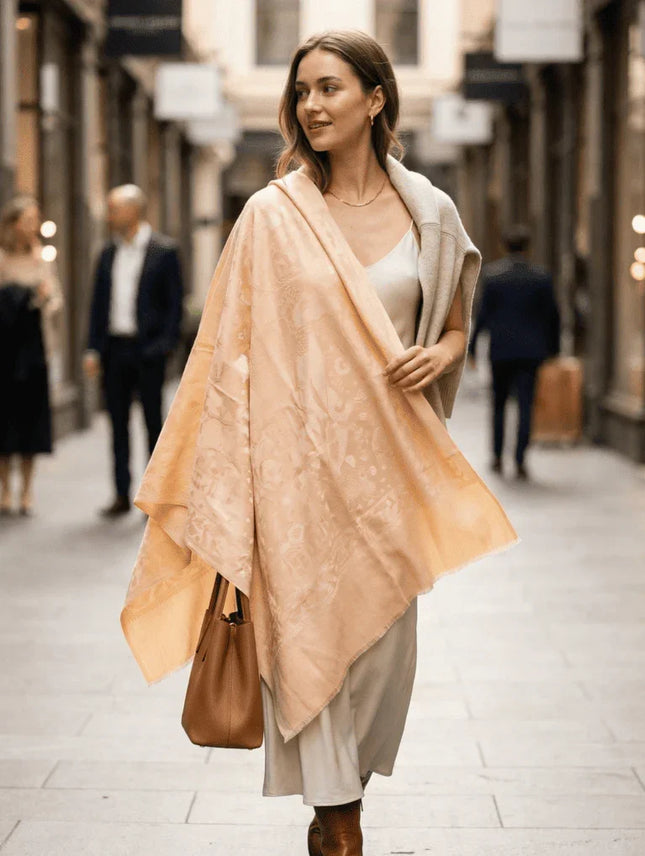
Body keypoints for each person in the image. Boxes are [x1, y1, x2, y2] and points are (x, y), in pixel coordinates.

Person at [120, 31, 518, 856]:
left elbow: (452, 330)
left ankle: (338, 804)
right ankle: (337, 824)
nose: (311, 105)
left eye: (331, 88)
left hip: (390, 480)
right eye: (302, 91)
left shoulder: (429, 213)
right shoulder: (271, 214)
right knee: (309, 664)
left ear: (376, 99)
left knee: (377, 666)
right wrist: (228, 482)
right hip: (293, 482)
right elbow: (224, 351)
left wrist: (437, 354)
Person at [84, 185, 183, 517]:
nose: (110, 216)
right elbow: (98, 304)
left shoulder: (164, 251)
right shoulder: (108, 252)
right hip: (115, 350)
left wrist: (162, 348)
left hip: (148, 352)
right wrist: (93, 348)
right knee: (118, 425)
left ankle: (152, 499)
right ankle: (121, 494)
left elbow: (174, 307)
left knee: (154, 425)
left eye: (115, 209)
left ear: (134, 211)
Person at [469, 224, 561, 480]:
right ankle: (520, 458)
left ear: (504, 245)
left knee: (498, 404)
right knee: (525, 405)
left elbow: (483, 315)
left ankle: (497, 456)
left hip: (501, 350)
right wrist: (553, 349)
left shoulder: (493, 277)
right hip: (531, 351)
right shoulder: (540, 277)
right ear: (527, 246)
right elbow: (553, 316)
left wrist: (473, 347)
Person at [0, 195, 63, 515]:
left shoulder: (43, 259)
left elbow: (56, 302)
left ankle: (26, 488)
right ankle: (4, 488)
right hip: (4, 354)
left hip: (35, 352)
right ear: (12, 224)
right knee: (4, 421)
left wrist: (44, 298)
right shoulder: (1, 259)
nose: (33, 226)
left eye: (35, 220)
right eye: (27, 220)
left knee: (30, 421)